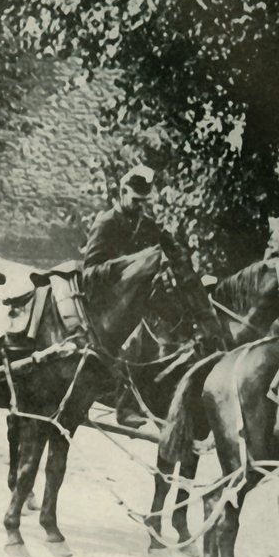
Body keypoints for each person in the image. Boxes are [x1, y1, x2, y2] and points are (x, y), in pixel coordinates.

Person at [83, 164, 165, 427]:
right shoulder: (105, 223)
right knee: (134, 341)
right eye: (136, 200)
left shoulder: (148, 225)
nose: (140, 206)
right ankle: (125, 406)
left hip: (139, 301)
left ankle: (154, 401)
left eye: (145, 201)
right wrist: (128, 264)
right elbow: (89, 273)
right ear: (122, 192)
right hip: (105, 303)